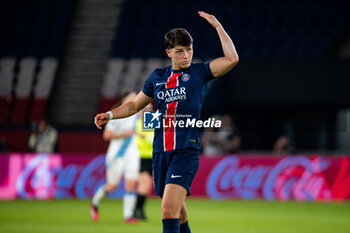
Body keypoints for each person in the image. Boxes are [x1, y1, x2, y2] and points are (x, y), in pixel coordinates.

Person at [94, 11, 238, 233]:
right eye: (180, 51)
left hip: (185, 151)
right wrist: (110, 115)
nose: (186, 55)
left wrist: (218, 26)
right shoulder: (158, 77)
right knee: (179, 214)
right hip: (160, 152)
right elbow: (134, 106)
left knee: (167, 211)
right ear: (168, 52)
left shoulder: (200, 73)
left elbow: (232, 59)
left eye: (189, 50)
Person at [90, 91, 140, 224]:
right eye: (132, 96)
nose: (135, 98)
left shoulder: (138, 114)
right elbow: (107, 135)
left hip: (133, 154)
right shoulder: (116, 114)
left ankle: (128, 215)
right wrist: (125, 134)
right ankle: (95, 202)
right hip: (117, 155)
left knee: (131, 184)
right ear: (124, 99)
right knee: (112, 186)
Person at [133, 103, 154, 220]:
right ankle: (136, 210)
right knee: (143, 186)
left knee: (147, 187)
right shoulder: (137, 124)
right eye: (145, 109)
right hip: (143, 157)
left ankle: (139, 210)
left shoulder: (152, 122)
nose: (148, 111)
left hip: (152, 157)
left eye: (150, 109)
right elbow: (145, 141)